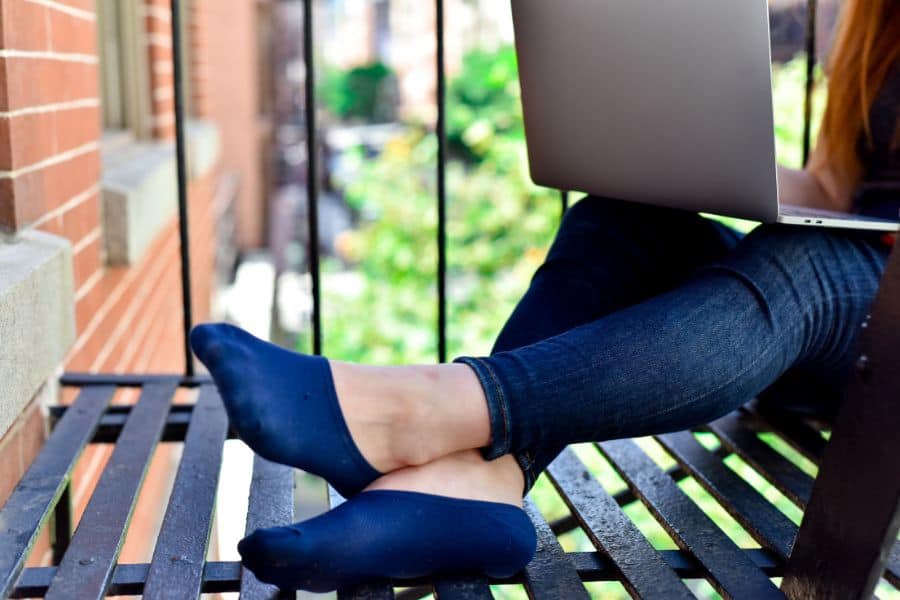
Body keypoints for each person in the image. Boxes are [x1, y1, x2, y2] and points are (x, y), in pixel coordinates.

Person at [190, 0, 900, 591]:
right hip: (846, 313)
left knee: (805, 259)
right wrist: (699, 160)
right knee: (621, 221)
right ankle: (487, 483)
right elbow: (840, 190)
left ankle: (417, 412)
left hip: (880, 344)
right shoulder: (873, 18)